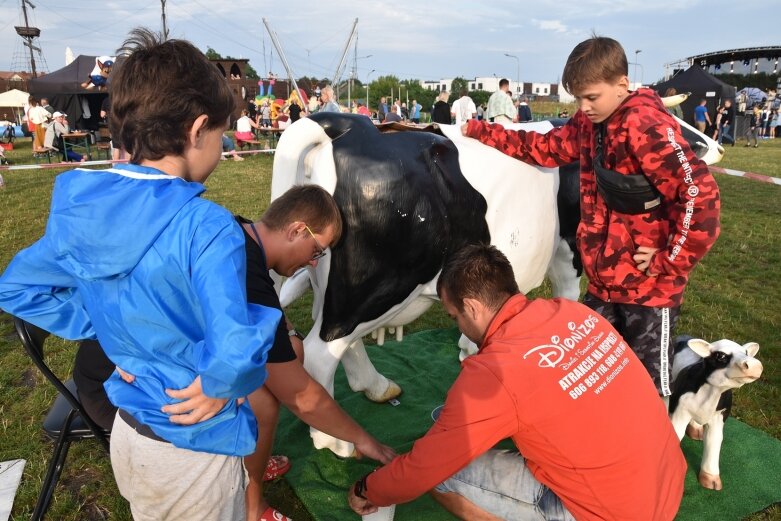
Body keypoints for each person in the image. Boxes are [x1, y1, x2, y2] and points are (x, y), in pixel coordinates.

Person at [0, 28, 282, 521]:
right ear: (198, 130)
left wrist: (110, 330)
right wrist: (220, 383)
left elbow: (18, 286)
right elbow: (237, 346)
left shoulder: (82, 209)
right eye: (219, 135)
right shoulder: (208, 226)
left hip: (130, 436)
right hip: (194, 447)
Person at [75, 185, 396, 521]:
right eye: (317, 250)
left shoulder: (238, 233)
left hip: (130, 366)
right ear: (297, 230)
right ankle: (251, 502)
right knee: (261, 396)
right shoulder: (245, 272)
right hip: (123, 388)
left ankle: (248, 468)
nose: (314, 264)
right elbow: (300, 395)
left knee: (275, 368)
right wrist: (363, 439)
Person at [462, 35, 721, 398]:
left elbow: (700, 196)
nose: (583, 107)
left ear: (622, 85)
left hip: (648, 291)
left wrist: (669, 258)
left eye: (592, 97)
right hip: (603, 284)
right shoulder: (589, 123)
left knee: (647, 388)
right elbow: (546, 147)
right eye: (578, 98)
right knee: (595, 374)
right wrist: (480, 131)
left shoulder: (646, 128)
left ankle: (653, 451)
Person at [348, 244, 686, 520]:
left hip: (613, 513)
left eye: (455, 317)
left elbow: (422, 469)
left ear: (472, 307)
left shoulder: (496, 369)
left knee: (442, 471)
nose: (458, 325)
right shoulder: (576, 313)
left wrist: (369, 489)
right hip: (664, 487)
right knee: (451, 424)